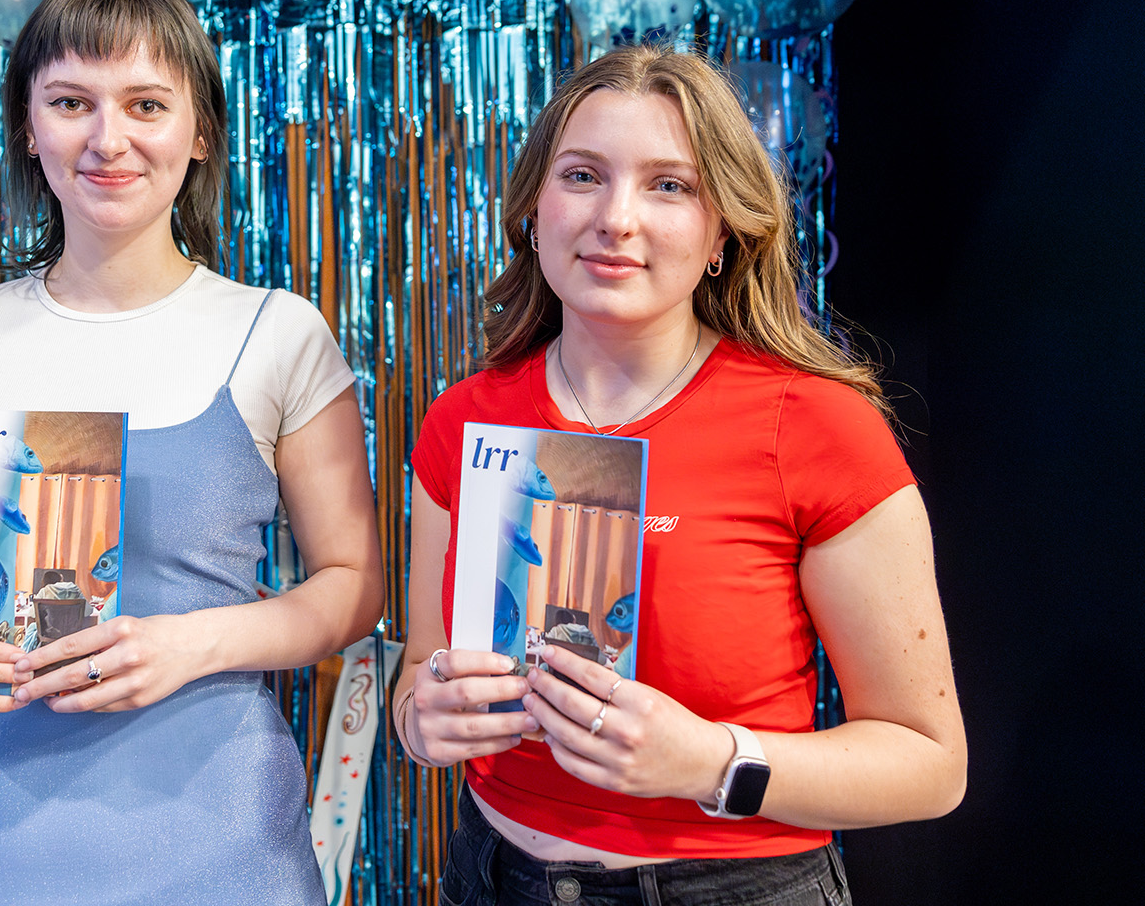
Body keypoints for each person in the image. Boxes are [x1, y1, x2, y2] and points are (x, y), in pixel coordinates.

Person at [0, 0, 384, 906]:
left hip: (220, 844)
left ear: (200, 131)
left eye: (147, 104)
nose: (109, 139)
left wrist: (195, 643)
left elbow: (352, 589)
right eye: (71, 102)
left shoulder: (278, 332)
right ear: (28, 123)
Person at [394, 45, 965, 905]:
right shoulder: (464, 419)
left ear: (721, 236)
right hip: (491, 875)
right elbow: (421, 666)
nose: (615, 218)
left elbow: (930, 763)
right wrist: (419, 718)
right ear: (535, 208)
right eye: (583, 175)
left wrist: (710, 760)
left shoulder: (814, 425)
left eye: (670, 186)